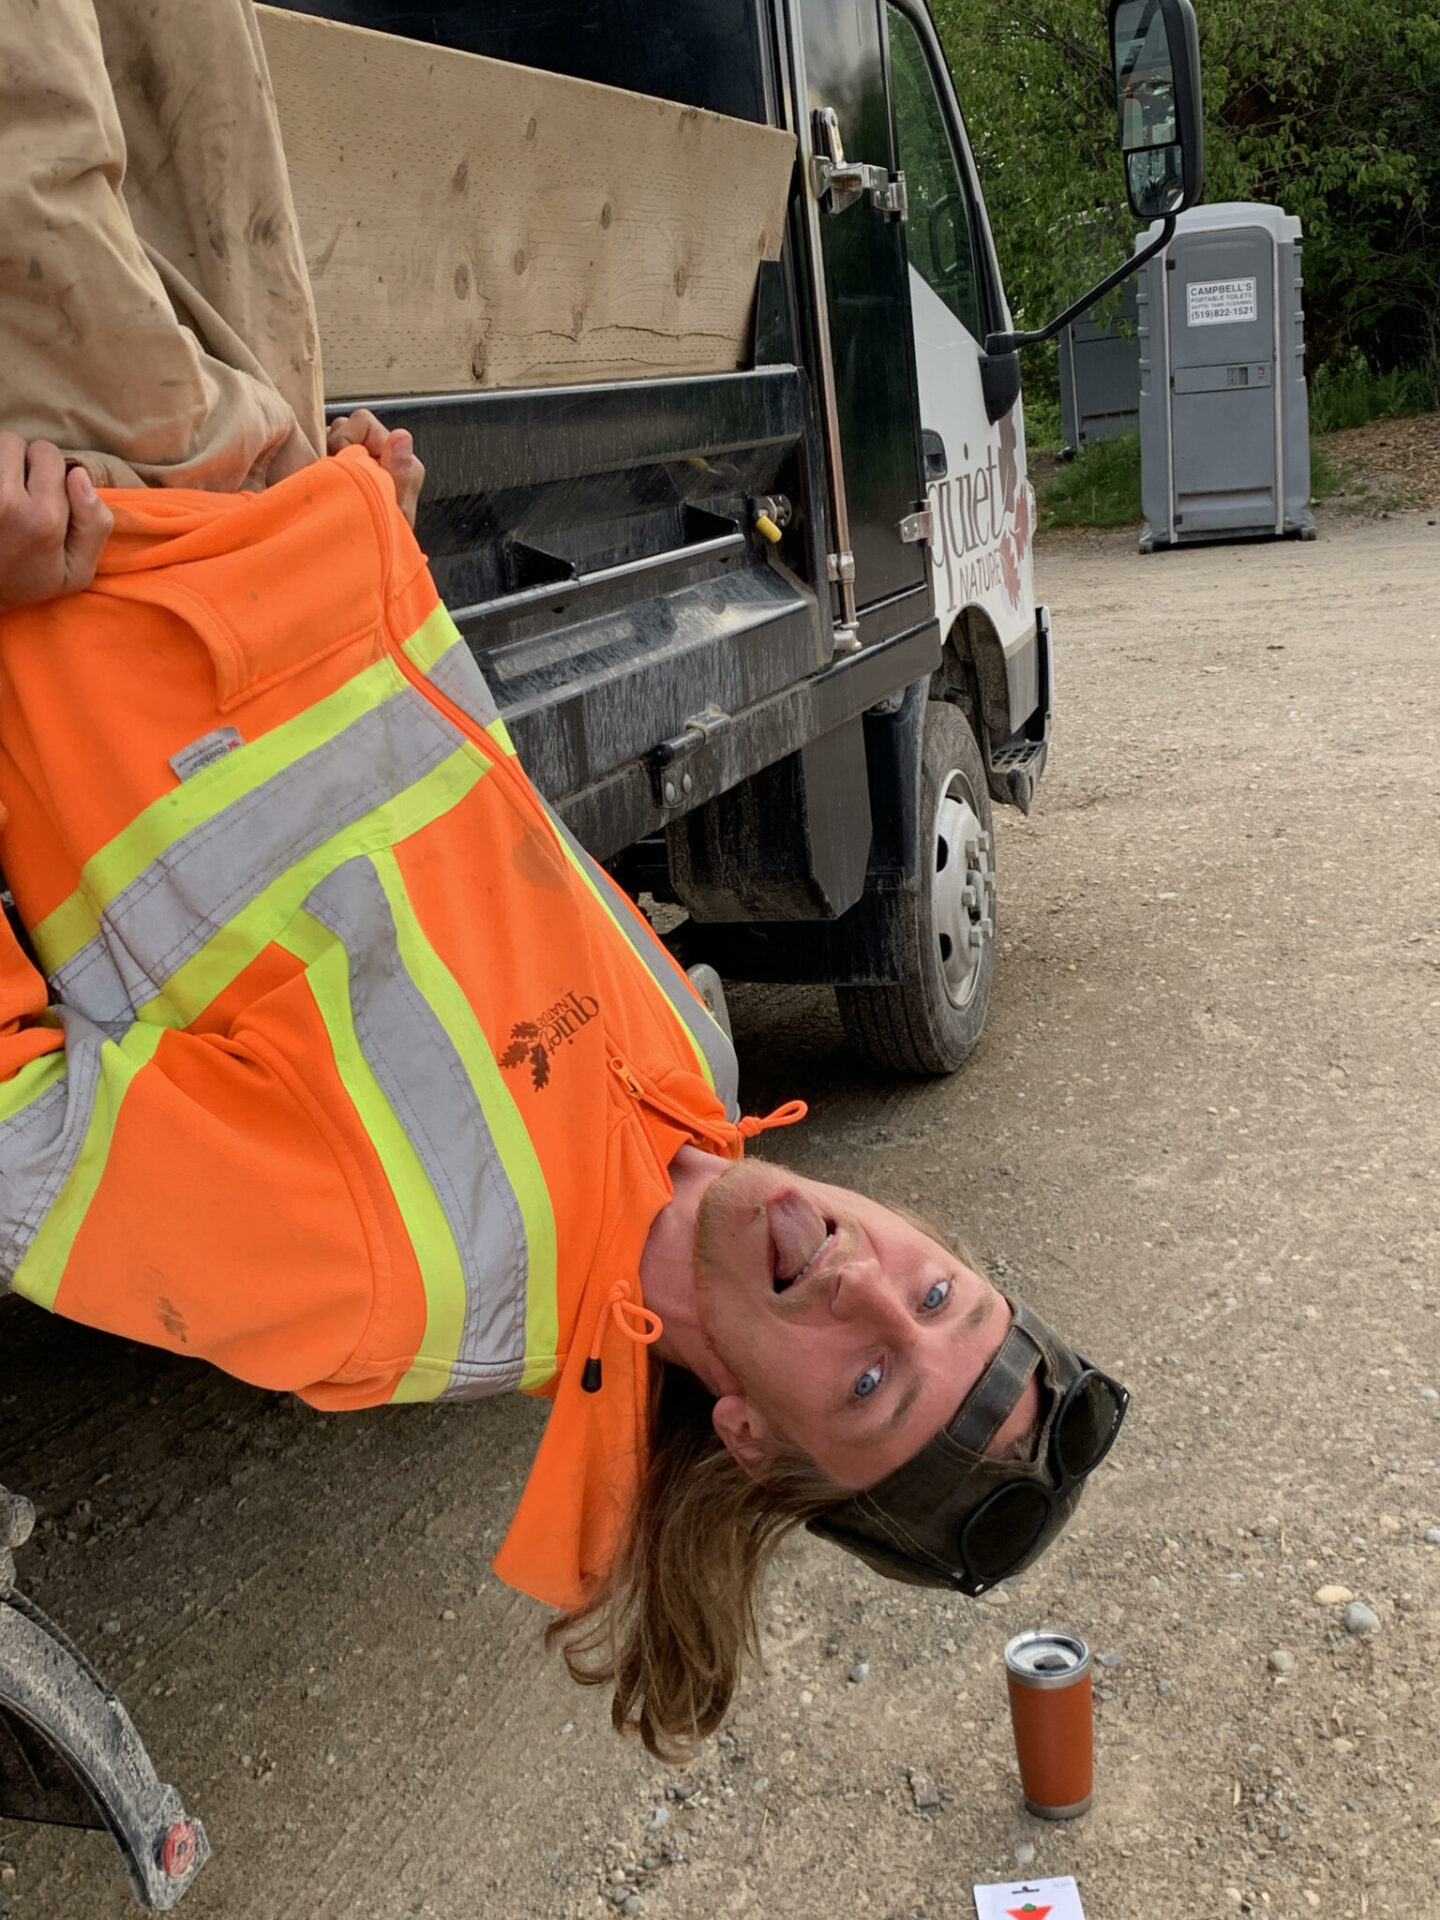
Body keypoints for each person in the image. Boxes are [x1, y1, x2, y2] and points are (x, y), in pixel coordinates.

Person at [0, 0, 1128, 1761]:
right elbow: (446, 803)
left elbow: (15, 1135)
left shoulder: (407, 1289)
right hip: (279, 477)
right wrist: (376, 551)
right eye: (927, 1286)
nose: (856, 1277)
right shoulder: (696, 1079)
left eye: (863, 1376)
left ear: (748, 1439)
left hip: (97, 542)